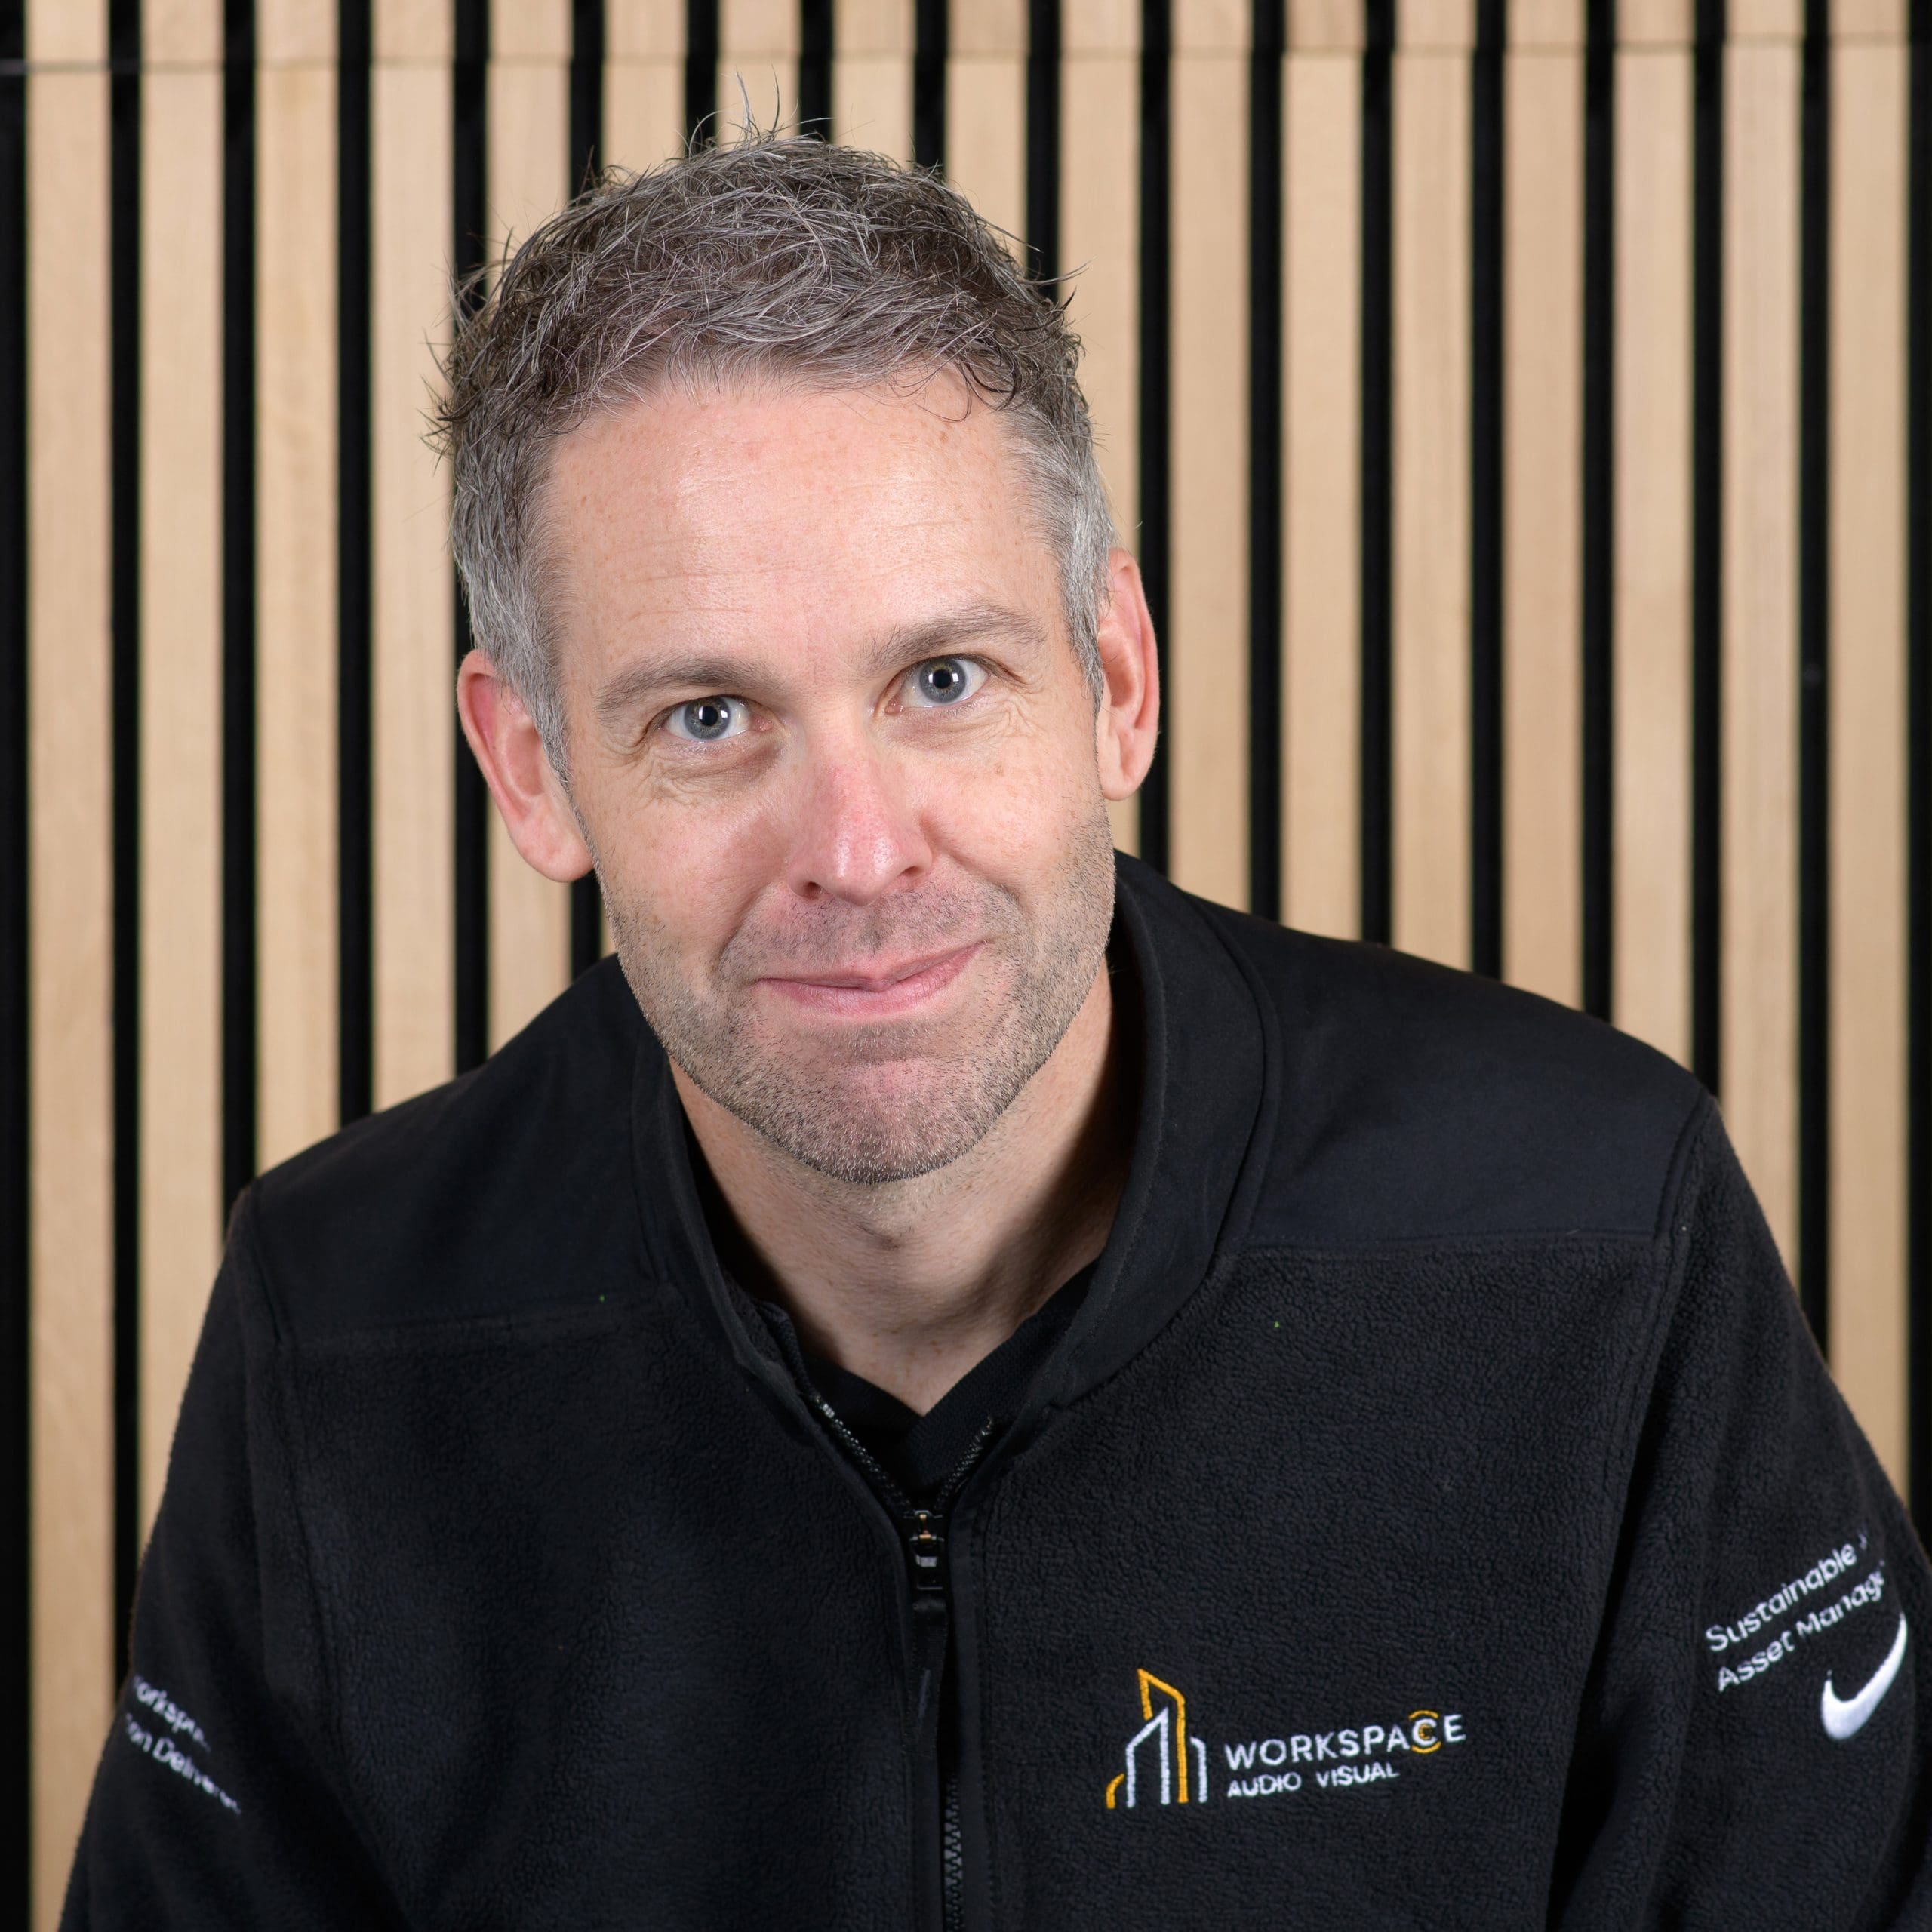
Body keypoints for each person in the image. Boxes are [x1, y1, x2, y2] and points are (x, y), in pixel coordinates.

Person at [62, 134, 1930, 1930]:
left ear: (1112, 685)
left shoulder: (1591, 1232)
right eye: (707, 718)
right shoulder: (350, 1321)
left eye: (941, 679)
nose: (858, 853)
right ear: (533, 768)